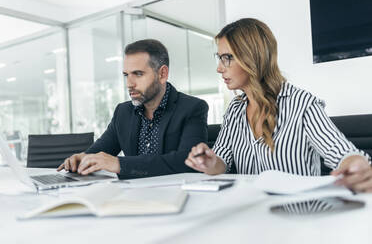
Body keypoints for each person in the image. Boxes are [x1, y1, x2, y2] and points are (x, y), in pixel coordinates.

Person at [185, 18, 372, 193]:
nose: (219, 68)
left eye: (227, 58)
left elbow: (342, 153)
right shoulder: (235, 110)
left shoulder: (302, 104)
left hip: (298, 215)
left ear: (252, 57)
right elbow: (221, 162)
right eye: (219, 58)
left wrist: (355, 164)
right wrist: (209, 163)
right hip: (249, 213)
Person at [58, 39, 208, 179]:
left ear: (162, 74)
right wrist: (83, 158)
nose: (129, 84)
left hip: (177, 198)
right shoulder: (123, 112)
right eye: (126, 75)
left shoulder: (192, 108)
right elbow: (100, 152)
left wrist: (120, 164)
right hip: (131, 197)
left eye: (138, 74)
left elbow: (189, 163)